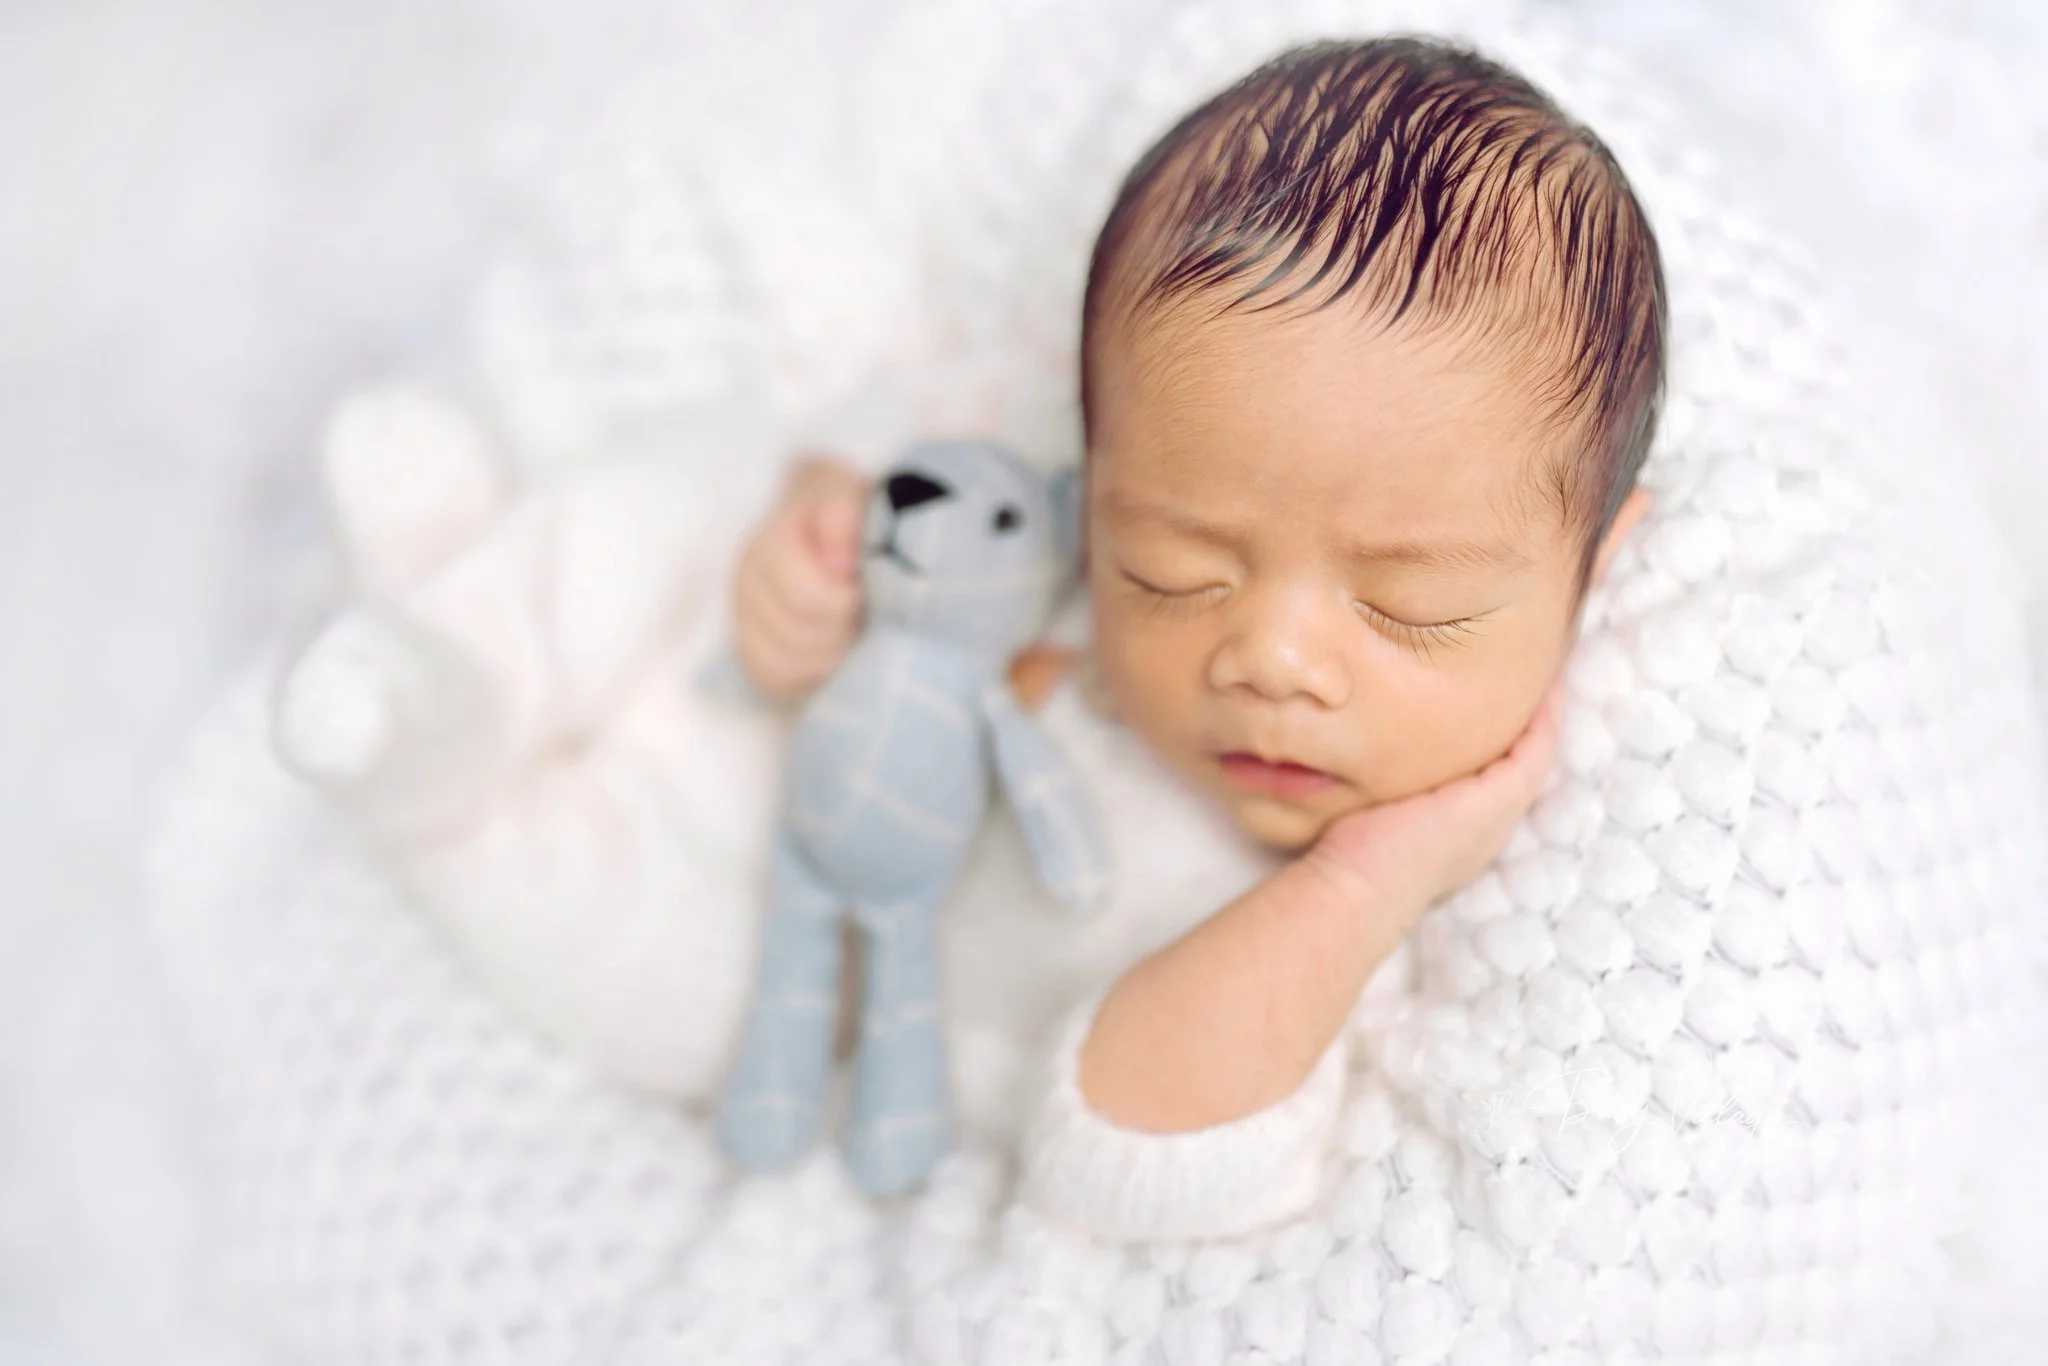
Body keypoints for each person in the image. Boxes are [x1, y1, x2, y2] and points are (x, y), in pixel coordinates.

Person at [728, 34, 1664, 1241]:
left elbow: (1116, 1149)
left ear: (1594, 566)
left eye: (1407, 606)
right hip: (764, 867)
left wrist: (1362, 882)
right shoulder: (1065, 529)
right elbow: (906, 460)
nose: (1271, 659)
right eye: (1170, 572)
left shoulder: (1407, 913)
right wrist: (816, 535)